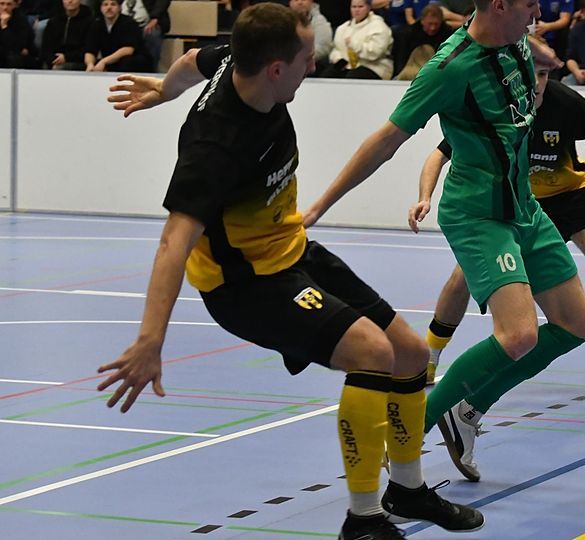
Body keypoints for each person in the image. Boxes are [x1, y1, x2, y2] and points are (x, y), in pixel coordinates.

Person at [96, 5, 482, 539]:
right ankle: (363, 520)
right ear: (276, 68)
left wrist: (164, 90)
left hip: (291, 249)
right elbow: (173, 243)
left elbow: (189, 60)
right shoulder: (216, 144)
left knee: (411, 354)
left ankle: (408, 490)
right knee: (373, 353)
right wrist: (149, 341)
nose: (313, 65)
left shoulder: (239, 59)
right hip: (246, 285)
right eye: (306, 59)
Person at [302, 0, 585, 485]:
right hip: (478, 214)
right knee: (519, 335)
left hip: (524, 207)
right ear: (499, 5)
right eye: (529, 4)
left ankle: (466, 412)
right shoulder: (449, 69)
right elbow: (385, 140)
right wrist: (319, 207)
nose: (538, 11)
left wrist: (544, 51)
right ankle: (405, 434)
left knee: (576, 325)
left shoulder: (517, 42)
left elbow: (540, 49)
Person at [410, 64, 585, 401]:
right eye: (532, 73)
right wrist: (425, 196)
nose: (537, 82)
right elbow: (439, 154)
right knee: (462, 278)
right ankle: (429, 359)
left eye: (545, 75)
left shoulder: (568, 102)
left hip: (573, 195)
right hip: (521, 203)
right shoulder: (497, 106)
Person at [321, 0, 393, 79]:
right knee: (327, 74)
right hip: (346, 64)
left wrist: (355, 45)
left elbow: (375, 53)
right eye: (354, 7)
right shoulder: (343, 27)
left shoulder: (379, 26)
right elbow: (336, 48)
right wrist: (337, 58)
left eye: (360, 7)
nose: (357, 10)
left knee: (352, 77)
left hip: (373, 67)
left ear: (368, 8)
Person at [84, 0, 151, 72]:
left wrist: (104, 61)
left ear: (119, 7)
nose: (109, 8)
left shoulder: (129, 23)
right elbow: (90, 50)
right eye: (105, 5)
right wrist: (90, 64)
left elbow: (128, 50)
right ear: (101, 8)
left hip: (134, 61)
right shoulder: (97, 24)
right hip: (110, 61)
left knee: (126, 62)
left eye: (113, 4)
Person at [40, 0, 93, 70]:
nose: (70, 1)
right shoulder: (53, 22)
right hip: (54, 60)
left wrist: (66, 57)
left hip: (78, 61)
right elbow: (45, 48)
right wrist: (53, 58)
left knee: (58, 68)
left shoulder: (89, 22)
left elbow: (89, 49)